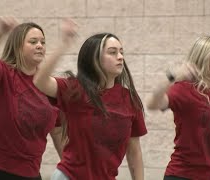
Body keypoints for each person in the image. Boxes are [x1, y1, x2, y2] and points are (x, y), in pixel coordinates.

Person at [33, 20, 147, 180]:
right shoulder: (75, 89)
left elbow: (134, 151)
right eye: (113, 52)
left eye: (121, 52)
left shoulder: (129, 99)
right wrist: (64, 44)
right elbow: (40, 81)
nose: (120, 57)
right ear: (95, 58)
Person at [0, 16, 63, 180]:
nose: (40, 46)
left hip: (28, 171)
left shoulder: (49, 86)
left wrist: (72, 170)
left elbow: (58, 131)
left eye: (43, 42)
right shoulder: (1, 72)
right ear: (17, 46)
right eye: (33, 42)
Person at [147, 35, 210, 180]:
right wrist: (172, 76)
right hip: (181, 175)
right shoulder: (184, 90)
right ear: (203, 58)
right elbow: (152, 103)